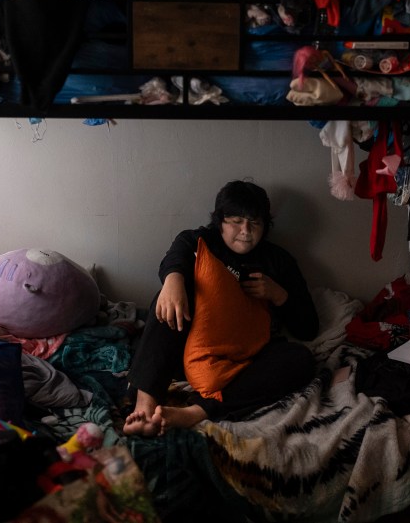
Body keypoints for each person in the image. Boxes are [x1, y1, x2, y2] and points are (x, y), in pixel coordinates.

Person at [123, 180, 319, 436]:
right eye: (236, 221)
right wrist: (173, 279)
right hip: (194, 350)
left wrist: (278, 294)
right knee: (167, 298)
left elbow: (309, 328)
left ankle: (194, 412)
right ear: (220, 221)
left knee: (300, 360)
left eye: (255, 222)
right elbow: (176, 255)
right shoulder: (202, 240)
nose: (246, 231)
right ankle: (145, 408)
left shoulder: (279, 261)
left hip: (245, 359)